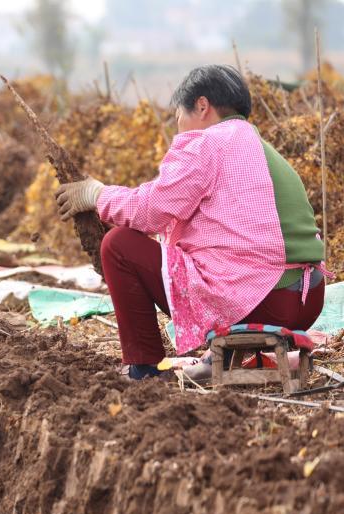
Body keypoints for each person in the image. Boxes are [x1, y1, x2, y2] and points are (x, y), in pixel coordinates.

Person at [55, 65, 326, 382]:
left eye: (178, 117)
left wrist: (97, 194)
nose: (179, 128)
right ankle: (219, 357)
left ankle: (144, 368)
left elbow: (150, 210)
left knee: (119, 245)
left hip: (266, 302)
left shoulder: (208, 143)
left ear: (201, 106)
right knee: (213, 255)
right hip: (307, 301)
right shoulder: (259, 148)